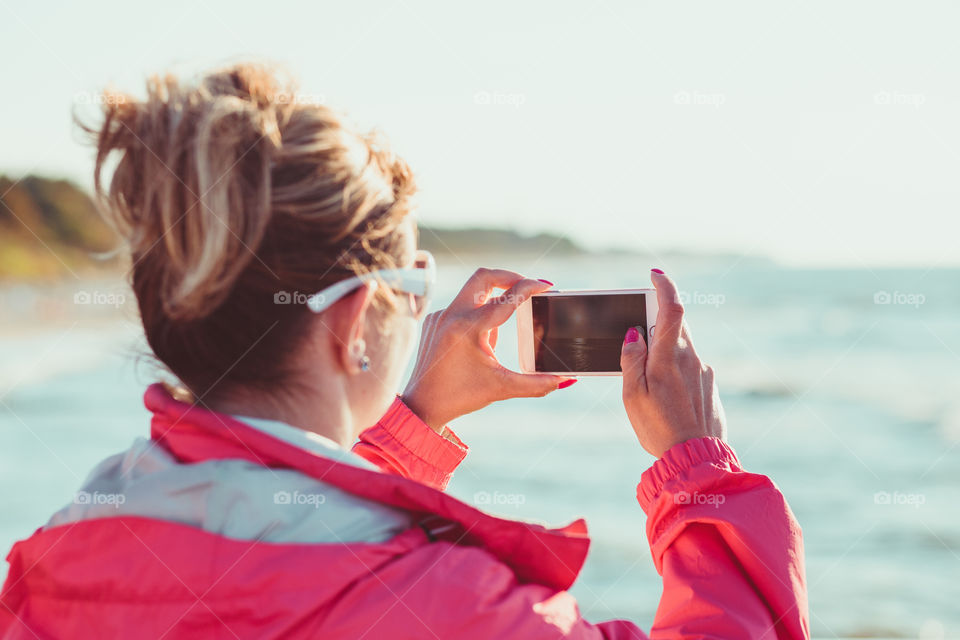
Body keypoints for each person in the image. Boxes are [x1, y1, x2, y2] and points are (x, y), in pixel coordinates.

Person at [0, 64, 809, 639]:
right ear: (355, 322)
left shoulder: (59, 556)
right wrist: (700, 475)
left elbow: (277, 564)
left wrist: (413, 426)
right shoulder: (458, 610)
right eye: (415, 289)